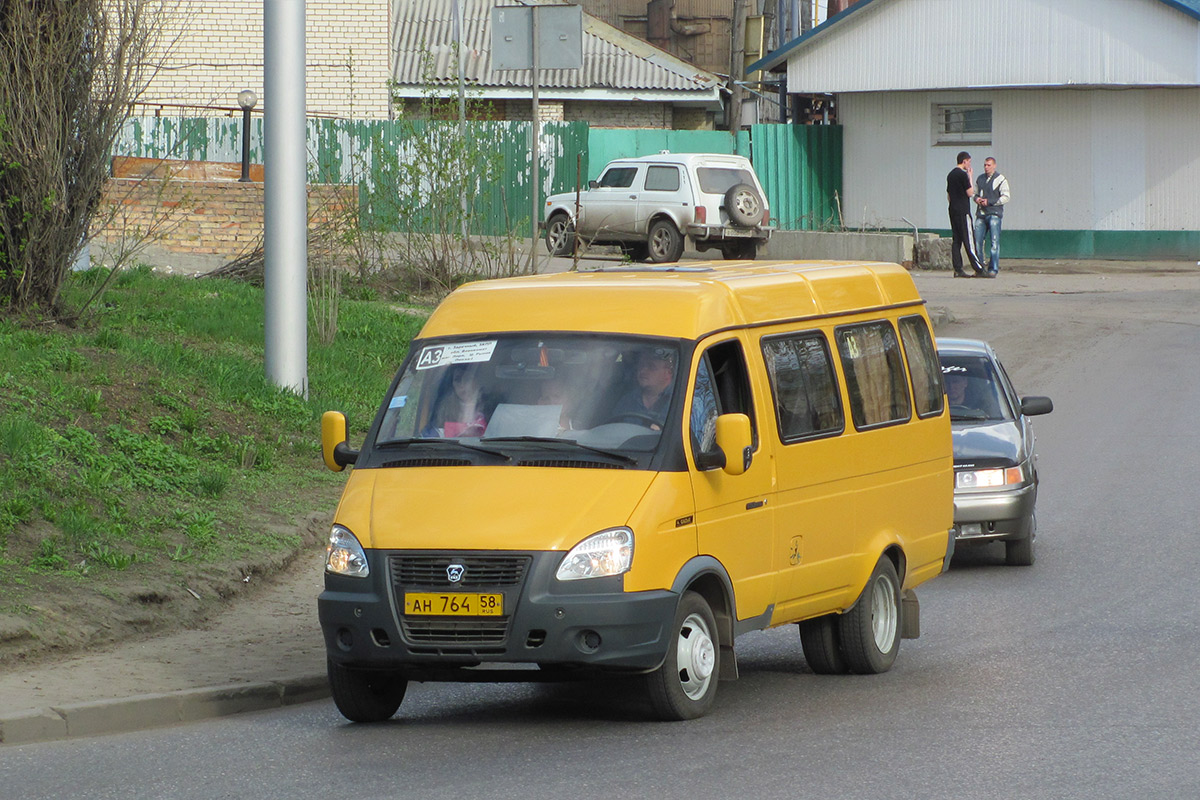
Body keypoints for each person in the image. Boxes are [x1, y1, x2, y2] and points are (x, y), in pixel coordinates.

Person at [609, 347, 676, 430]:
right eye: (641, 365)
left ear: (668, 373)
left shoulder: (683, 403)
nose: (643, 371)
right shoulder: (627, 400)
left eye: (651, 367)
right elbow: (611, 429)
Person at [947, 151, 986, 278]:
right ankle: (979, 268)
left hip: (953, 209)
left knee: (956, 240)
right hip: (963, 211)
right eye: (969, 161)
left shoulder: (950, 175)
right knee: (969, 240)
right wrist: (970, 176)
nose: (969, 164)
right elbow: (970, 192)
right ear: (964, 161)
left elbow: (948, 196)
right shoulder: (962, 175)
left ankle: (958, 269)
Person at [973, 157, 1010, 277]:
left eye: (989, 165)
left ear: (994, 166)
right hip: (981, 214)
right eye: (985, 165)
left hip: (994, 214)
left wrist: (990, 202)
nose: (986, 167)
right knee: (977, 242)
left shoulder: (1001, 179)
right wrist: (977, 199)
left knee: (994, 242)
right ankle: (979, 268)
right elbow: (974, 193)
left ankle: (993, 269)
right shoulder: (980, 179)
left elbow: (1006, 197)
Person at [431, 364, 488, 437]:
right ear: (452, 384)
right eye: (458, 379)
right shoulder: (444, 414)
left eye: (467, 379)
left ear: (478, 380)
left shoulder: (492, 412)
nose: (462, 384)